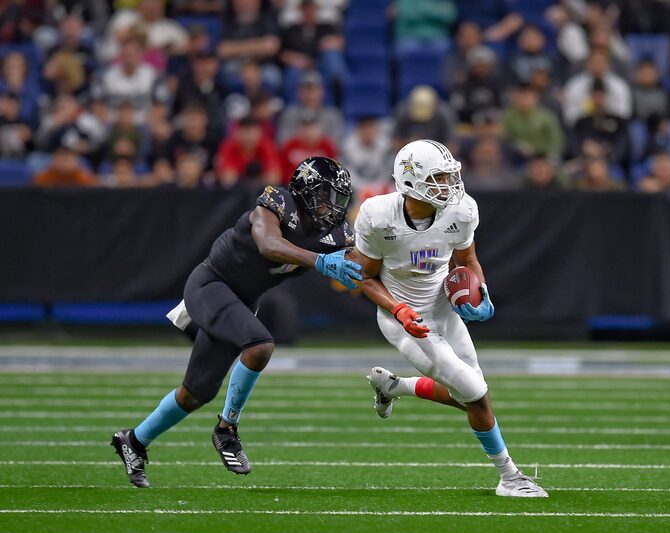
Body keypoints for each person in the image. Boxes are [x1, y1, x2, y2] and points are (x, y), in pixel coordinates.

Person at [111, 156, 362, 487]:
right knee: (260, 345)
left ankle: (134, 440)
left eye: (338, 199)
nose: (332, 207)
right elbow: (269, 244)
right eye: (326, 196)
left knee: (195, 393)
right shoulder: (276, 202)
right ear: (304, 191)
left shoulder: (336, 232)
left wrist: (397, 301)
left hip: (242, 302)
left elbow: (363, 267)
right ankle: (226, 429)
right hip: (211, 285)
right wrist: (321, 261)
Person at [351, 139, 548, 498]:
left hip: (443, 308)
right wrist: (398, 309)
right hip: (403, 319)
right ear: (411, 181)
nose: (449, 185)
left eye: (449, 176)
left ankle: (396, 387)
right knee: (475, 394)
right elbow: (364, 277)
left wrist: (480, 290)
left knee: (471, 396)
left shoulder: (461, 211)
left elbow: (467, 260)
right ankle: (510, 476)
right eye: (439, 177)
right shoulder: (379, 215)